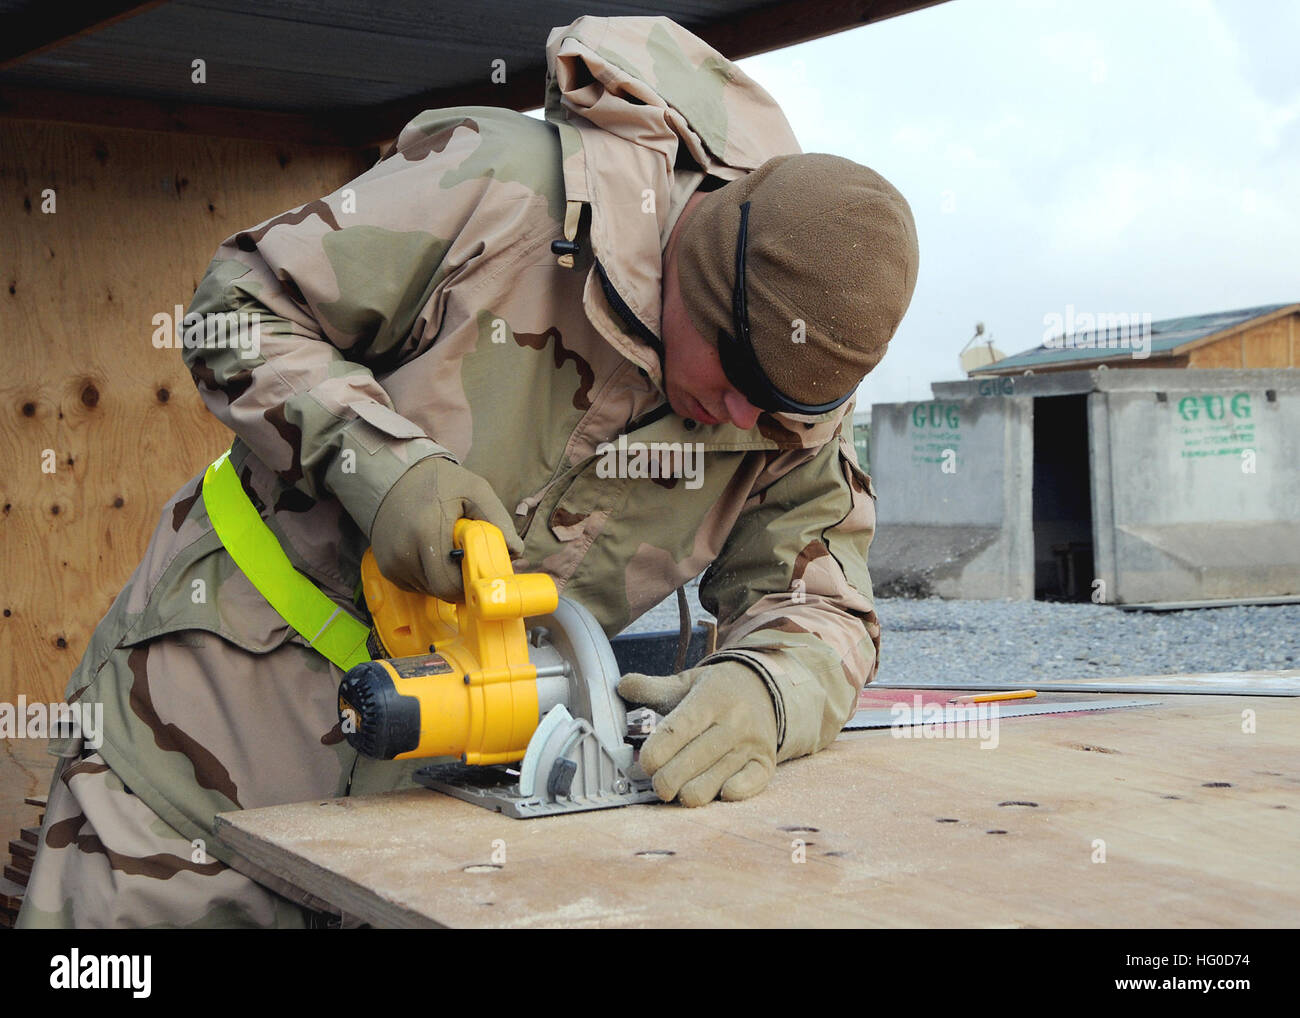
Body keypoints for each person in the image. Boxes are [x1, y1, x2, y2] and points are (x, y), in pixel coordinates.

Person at [18, 14, 918, 928]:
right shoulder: (499, 187)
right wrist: (384, 469)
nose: (742, 425)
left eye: (780, 415)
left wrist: (768, 690)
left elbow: (822, 605)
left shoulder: (786, 394)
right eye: (732, 385)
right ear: (689, 270)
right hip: (193, 762)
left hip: (433, 832)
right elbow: (234, 310)